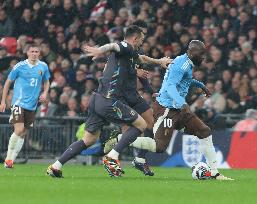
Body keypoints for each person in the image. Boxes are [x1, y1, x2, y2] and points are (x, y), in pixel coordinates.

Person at [46, 25, 171, 178]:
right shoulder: (126, 46)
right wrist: (101, 49)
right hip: (109, 100)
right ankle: (112, 156)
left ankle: (56, 166)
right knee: (141, 124)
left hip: (96, 99)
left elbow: (142, 58)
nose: (141, 44)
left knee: (89, 139)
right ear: (135, 38)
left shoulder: (130, 55)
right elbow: (114, 45)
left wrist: (159, 61)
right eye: (141, 40)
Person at [105, 40, 233, 180]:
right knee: (159, 147)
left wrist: (201, 85)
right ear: (191, 52)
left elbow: (186, 79)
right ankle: (119, 139)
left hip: (179, 109)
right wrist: (182, 102)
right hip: (167, 109)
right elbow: (171, 86)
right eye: (201, 54)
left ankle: (214, 172)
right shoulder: (181, 64)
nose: (203, 57)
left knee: (205, 131)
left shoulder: (186, 63)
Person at [0, 44, 50, 168]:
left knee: (23, 133)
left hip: (32, 106)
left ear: (39, 53)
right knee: (19, 129)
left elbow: (46, 80)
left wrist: (45, 92)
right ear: (27, 53)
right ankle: (8, 159)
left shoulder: (43, 66)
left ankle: (11, 160)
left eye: (36, 51)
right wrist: (3, 101)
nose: (34, 53)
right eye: (32, 51)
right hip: (18, 102)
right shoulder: (20, 66)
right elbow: (8, 82)